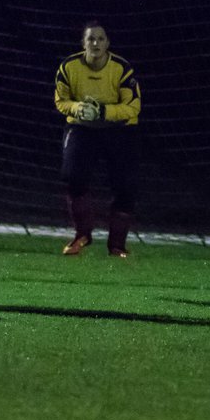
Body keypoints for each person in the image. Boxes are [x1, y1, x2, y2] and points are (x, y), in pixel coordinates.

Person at [54, 21, 141, 257]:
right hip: (82, 128)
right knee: (72, 177)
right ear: (83, 43)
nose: (96, 43)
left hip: (118, 129)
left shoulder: (121, 69)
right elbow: (61, 101)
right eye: (91, 39)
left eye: (100, 39)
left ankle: (117, 246)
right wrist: (77, 107)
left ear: (108, 44)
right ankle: (82, 235)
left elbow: (133, 107)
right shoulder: (68, 67)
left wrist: (103, 112)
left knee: (125, 187)